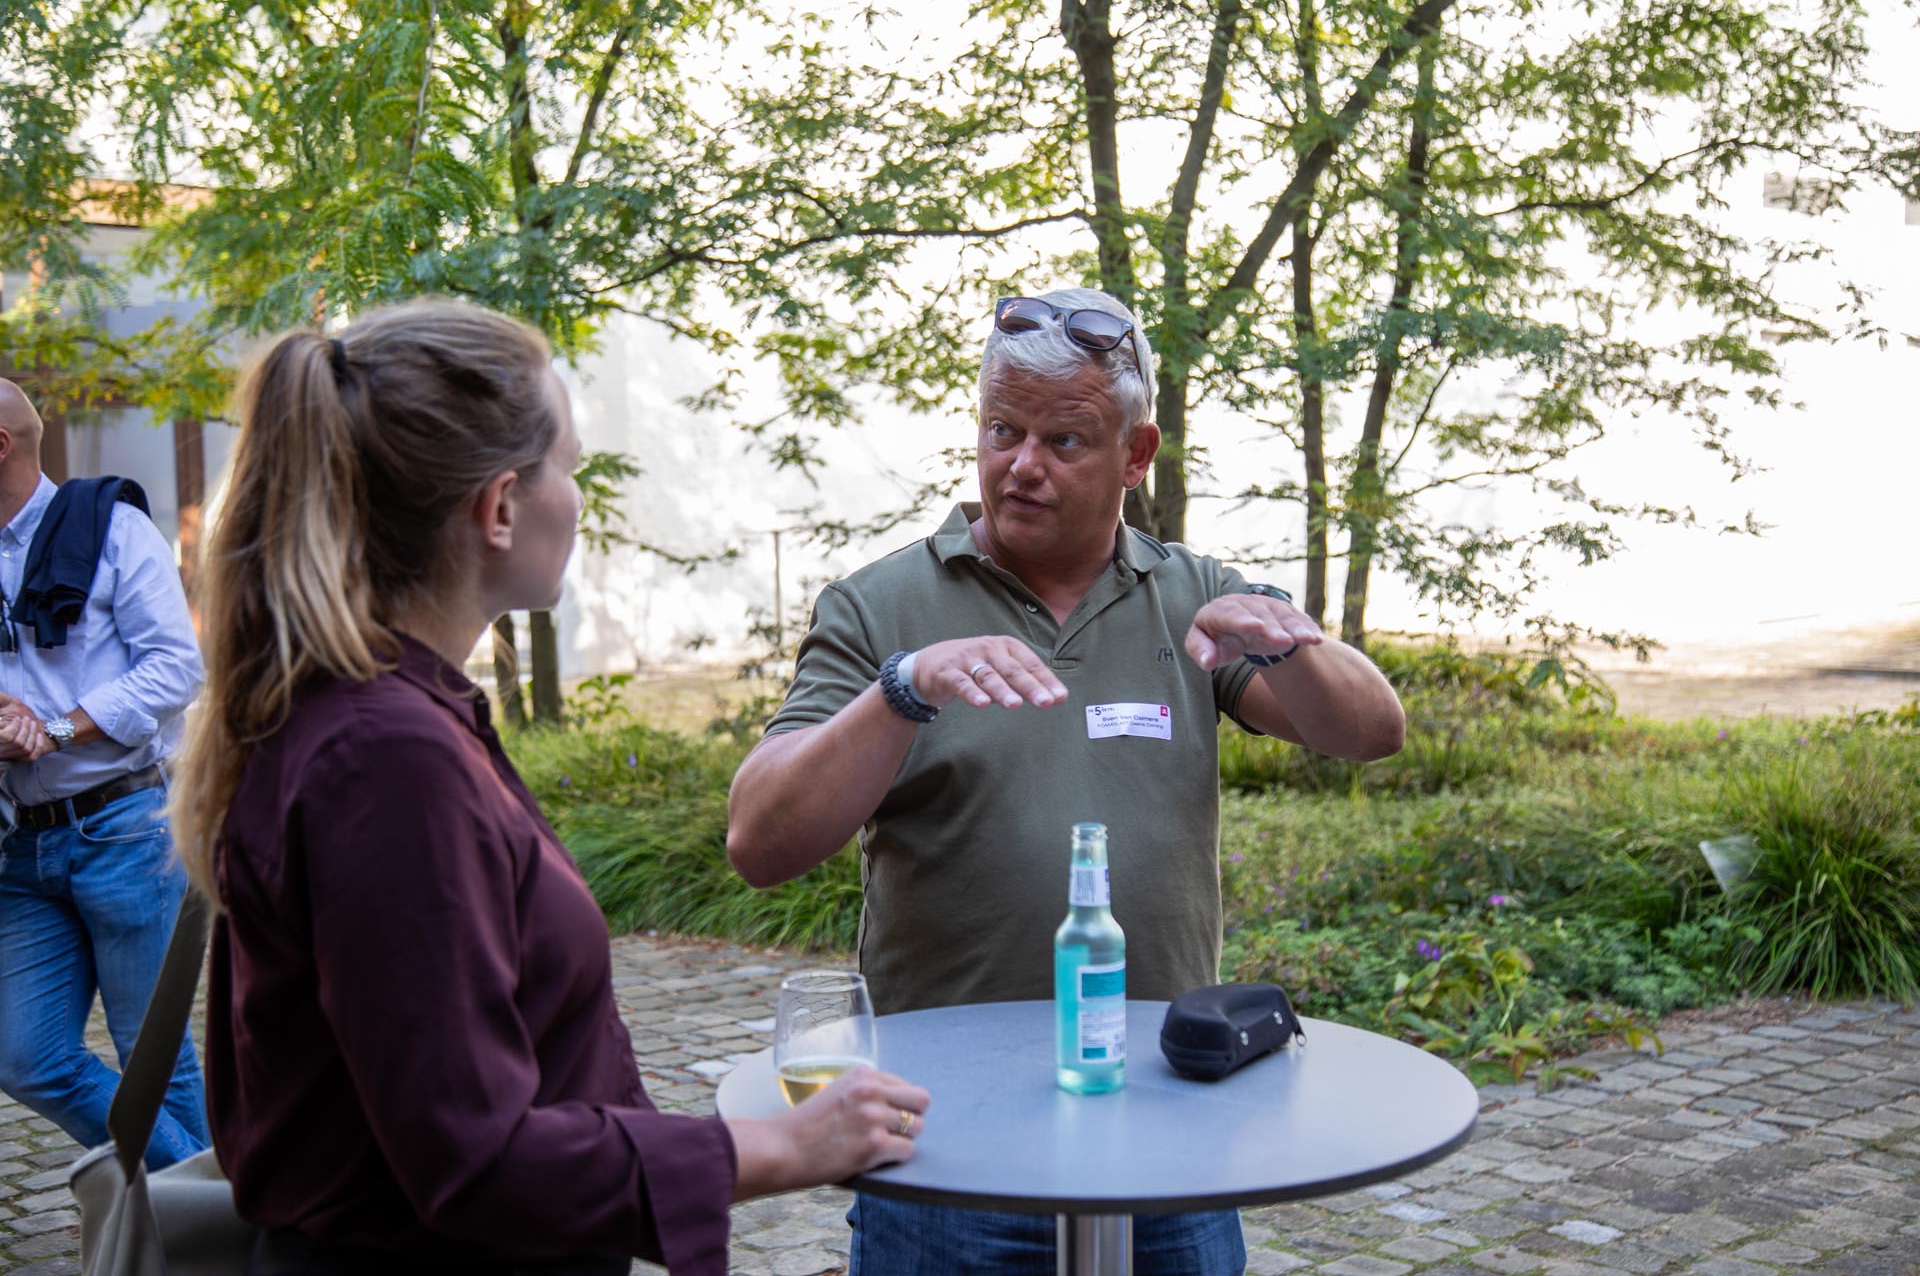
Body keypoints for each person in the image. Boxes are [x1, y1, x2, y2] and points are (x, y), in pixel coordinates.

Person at [168, 298, 930, 1276]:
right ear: (497, 507)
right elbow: (472, 1153)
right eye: (566, 466)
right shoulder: (383, 756)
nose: (577, 497)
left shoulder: (391, 715)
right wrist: (784, 1145)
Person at [726, 288, 1407, 1274]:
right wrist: (903, 691)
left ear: (1137, 454)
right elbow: (760, 840)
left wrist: (1290, 640)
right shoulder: (882, 606)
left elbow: (1369, 732)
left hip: (1169, 1123)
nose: (1022, 464)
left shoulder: (1194, 598)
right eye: (1002, 429)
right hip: (943, 1137)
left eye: (1065, 439)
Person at [0, 379, 209, 1170]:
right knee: (24, 1057)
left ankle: (197, 1239)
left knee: (155, 1056)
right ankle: (213, 1203)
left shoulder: (114, 528)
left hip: (122, 827)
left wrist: (53, 729)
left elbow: (175, 670)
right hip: (21, 848)